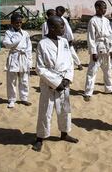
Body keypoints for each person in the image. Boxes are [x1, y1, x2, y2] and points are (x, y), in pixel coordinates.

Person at [32, 16, 78, 152]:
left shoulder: (64, 41)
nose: (64, 28)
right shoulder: (42, 43)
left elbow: (70, 62)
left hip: (64, 81)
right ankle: (40, 137)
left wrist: (67, 79)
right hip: (49, 82)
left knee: (65, 110)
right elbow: (39, 68)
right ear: (52, 28)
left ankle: (64, 133)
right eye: (61, 26)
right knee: (45, 111)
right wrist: (56, 82)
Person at [83, 0, 112, 101]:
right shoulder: (93, 21)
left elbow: (110, 36)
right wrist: (93, 52)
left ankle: (109, 88)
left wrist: (111, 50)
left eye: (105, 7)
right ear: (97, 8)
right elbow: (91, 38)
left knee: (107, 70)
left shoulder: (107, 20)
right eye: (103, 7)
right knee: (92, 71)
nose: (105, 9)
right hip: (98, 47)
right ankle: (88, 92)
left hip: (107, 47)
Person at [2, 13, 32, 108]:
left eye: (20, 22)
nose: (18, 24)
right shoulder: (8, 33)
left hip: (23, 57)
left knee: (24, 79)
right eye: (16, 22)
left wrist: (29, 61)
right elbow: (6, 44)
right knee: (12, 80)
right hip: (14, 56)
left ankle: (24, 98)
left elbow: (29, 48)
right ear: (12, 23)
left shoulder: (26, 33)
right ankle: (11, 99)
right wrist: (16, 38)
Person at [55, 6, 83, 71]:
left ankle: (79, 64)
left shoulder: (63, 20)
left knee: (71, 51)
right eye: (55, 11)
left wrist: (70, 39)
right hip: (59, 39)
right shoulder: (56, 19)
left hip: (66, 39)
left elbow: (68, 31)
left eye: (57, 11)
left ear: (62, 12)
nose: (56, 12)